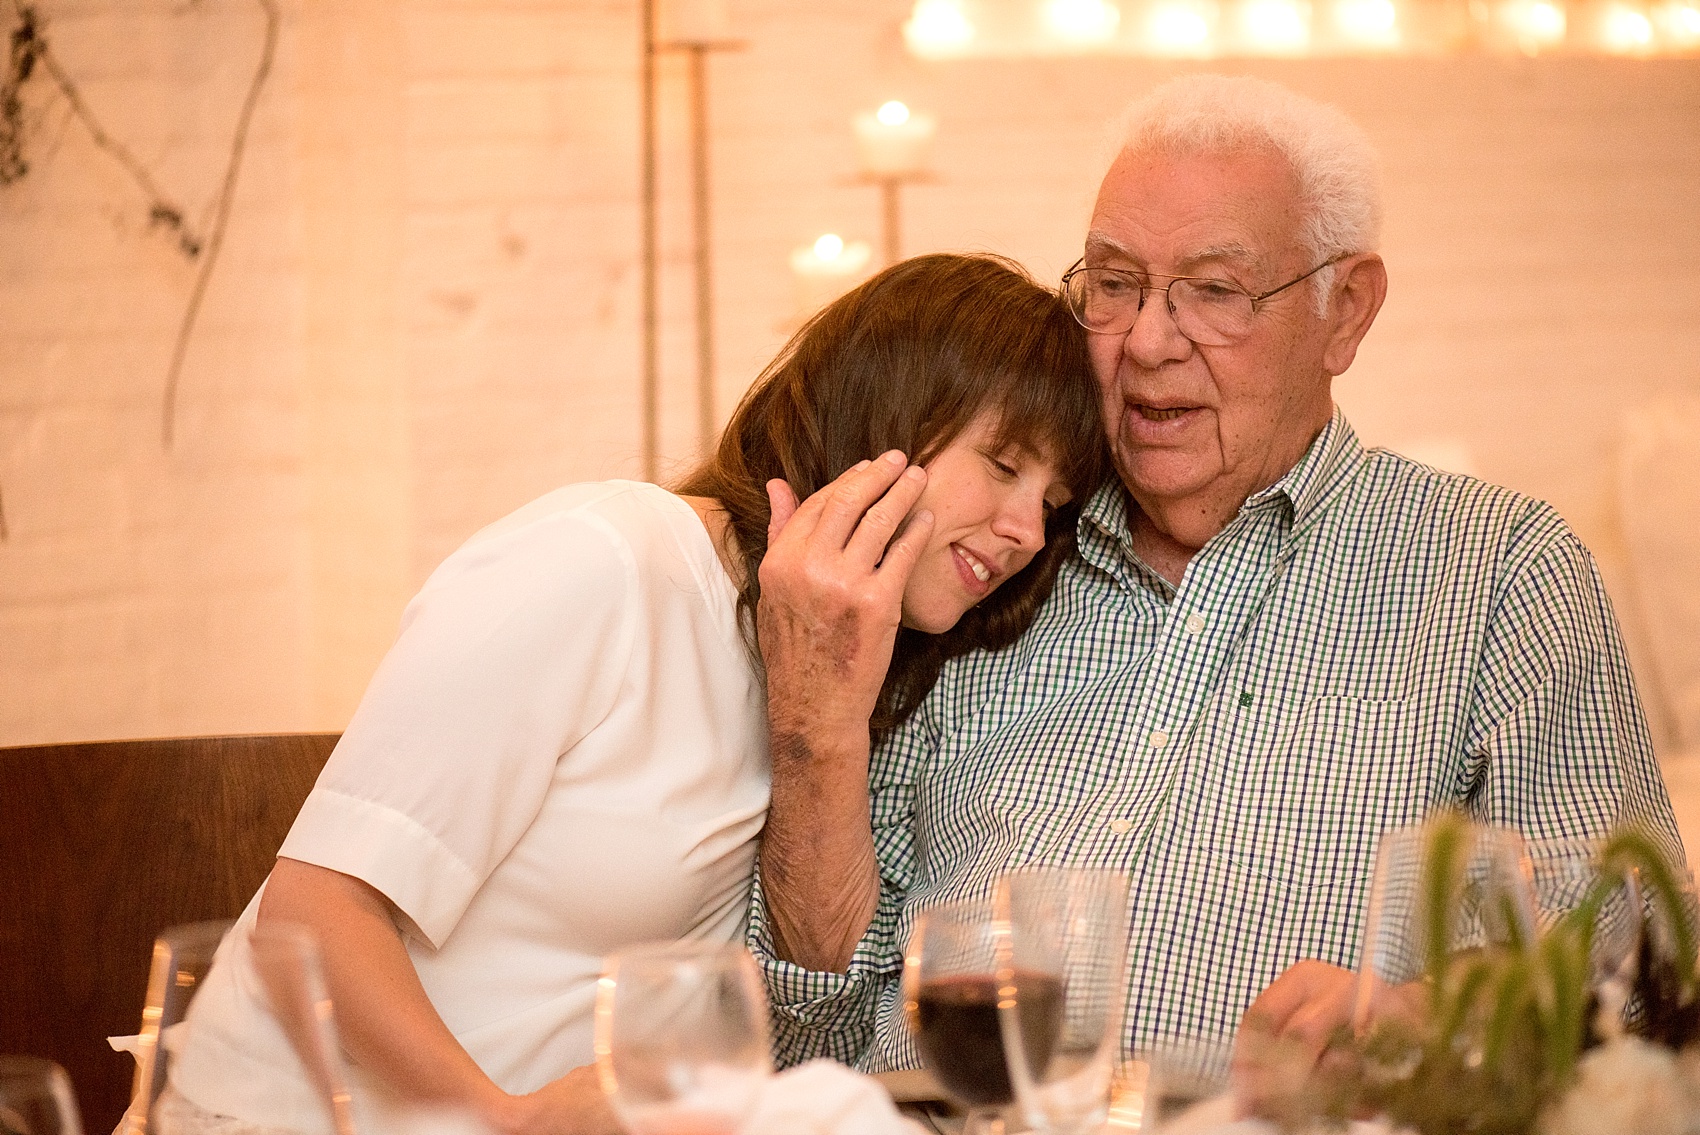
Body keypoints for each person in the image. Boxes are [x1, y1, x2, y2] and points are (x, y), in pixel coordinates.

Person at [747, 73, 1684, 1096]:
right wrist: (810, 730)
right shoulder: (991, 555)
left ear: (1346, 310)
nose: (1148, 340)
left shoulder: (1497, 570)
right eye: (1113, 283)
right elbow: (812, 1018)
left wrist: (1412, 1015)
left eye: (1213, 290)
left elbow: (1634, 962)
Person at [161, 253, 1106, 1135]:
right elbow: (316, 909)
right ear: (891, 418)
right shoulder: (606, 560)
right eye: (1005, 463)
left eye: (1054, 503)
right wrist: (502, 1120)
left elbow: (811, 998)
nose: (1025, 527)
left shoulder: (853, 670)